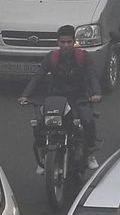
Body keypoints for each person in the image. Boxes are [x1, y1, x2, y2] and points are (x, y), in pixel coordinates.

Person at [21, 25, 104, 172]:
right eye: (63, 42)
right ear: (58, 42)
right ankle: (44, 155)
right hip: (56, 98)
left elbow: (92, 76)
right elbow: (38, 76)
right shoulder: (51, 58)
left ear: (74, 41)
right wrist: (25, 95)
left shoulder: (83, 57)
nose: (66, 45)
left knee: (87, 120)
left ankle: (90, 153)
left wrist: (96, 94)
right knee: (40, 122)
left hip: (79, 97)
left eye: (69, 42)